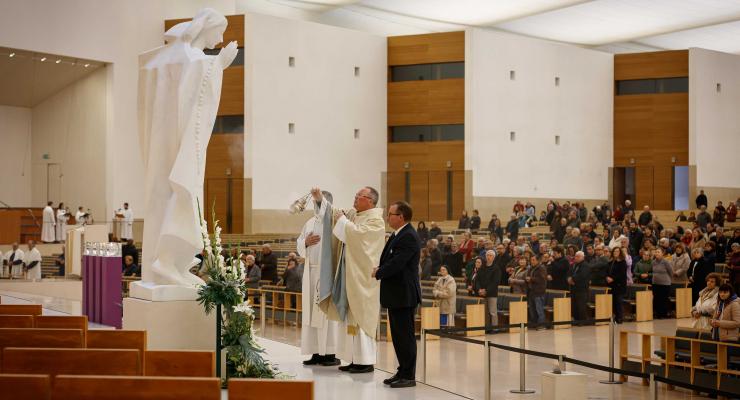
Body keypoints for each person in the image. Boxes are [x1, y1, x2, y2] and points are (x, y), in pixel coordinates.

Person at [329, 186, 385, 374]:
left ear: (369, 200)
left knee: (362, 319)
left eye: (358, 197)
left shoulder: (375, 220)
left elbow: (360, 238)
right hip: (351, 276)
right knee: (350, 319)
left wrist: (343, 221)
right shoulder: (358, 215)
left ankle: (366, 361)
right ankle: (354, 358)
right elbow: (343, 223)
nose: (354, 199)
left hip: (364, 279)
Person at [372, 201, 420, 388]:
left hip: (404, 294)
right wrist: (381, 268)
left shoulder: (408, 236)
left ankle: (409, 375)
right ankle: (402, 370)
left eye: (391, 214)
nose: (387, 217)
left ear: (401, 217)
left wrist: (379, 271)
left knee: (405, 337)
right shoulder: (398, 234)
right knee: (399, 337)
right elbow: (391, 259)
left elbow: (397, 263)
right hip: (396, 294)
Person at [298, 189, 341, 367]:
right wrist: (305, 243)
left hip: (326, 273)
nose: (316, 206)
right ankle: (316, 351)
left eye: (319, 203)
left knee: (325, 313)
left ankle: (330, 353)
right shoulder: (309, 223)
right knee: (310, 313)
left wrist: (321, 201)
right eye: (315, 203)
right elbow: (300, 243)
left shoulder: (333, 221)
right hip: (310, 272)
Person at [475, 250, 501, 326]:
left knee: (492, 312)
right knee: (484, 312)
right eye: (487, 255)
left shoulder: (496, 268)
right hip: (481, 293)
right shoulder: (482, 267)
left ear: (494, 257)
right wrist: (479, 289)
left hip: (492, 293)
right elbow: (477, 280)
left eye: (490, 256)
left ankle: (494, 327)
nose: (488, 257)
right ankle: (486, 327)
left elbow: (495, 282)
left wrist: (486, 290)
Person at [526, 254, 547, 330]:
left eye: (533, 260)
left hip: (539, 292)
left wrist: (531, 279)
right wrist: (528, 279)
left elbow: (541, 279)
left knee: (539, 309)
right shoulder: (531, 268)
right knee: (532, 309)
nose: (532, 261)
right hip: (531, 291)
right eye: (531, 260)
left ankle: (542, 325)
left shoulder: (541, 268)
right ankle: (534, 323)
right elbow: (528, 276)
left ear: (538, 260)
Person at [607, 247, 628, 323]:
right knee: (613, 302)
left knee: (618, 301)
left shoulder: (622, 262)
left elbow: (622, 274)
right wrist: (607, 277)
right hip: (611, 285)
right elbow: (607, 271)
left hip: (619, 285)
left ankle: (620, 318)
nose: (615, 253)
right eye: (614, 251)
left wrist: (613, 278)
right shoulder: (611, 261)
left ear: (620, 253)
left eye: (617, 251)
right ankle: (615, 316)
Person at [568, 251, 590, 323]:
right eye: (575, 256)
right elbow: (570, 272)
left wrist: (572, 279)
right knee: (574, 305)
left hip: (582, 289)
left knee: (581, 306)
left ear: (582, 257)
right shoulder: (575, 265)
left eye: (578, 256)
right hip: (574, 288)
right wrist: (569, 278)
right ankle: (576, 319)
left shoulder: (585, 265)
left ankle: (582, 321)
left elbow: (582, 275)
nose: (576, 258)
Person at [651, 248, 673, 319]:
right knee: (656, 299)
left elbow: (671, 271)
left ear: (662, 253)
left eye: (658, 252)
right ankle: (657, 313)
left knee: (663, 299)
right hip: (655, 283)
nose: (657, 253)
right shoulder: (653, 262)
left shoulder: (666, 262)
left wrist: (667, 279)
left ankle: (663, 314)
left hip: (665, 284)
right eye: (656, 252)